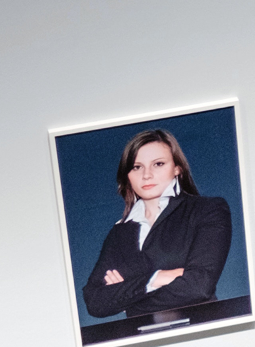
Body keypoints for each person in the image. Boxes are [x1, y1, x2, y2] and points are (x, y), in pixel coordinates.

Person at [82, 129, 232, 319]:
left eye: (158, 164)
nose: (147, 175)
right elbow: (95, 302)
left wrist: (127, 298)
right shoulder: (119, 232)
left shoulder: (207, 210)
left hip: (201, 327)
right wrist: (157, 278)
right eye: (137, 167)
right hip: (140, 334)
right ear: (127, 174)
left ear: (177, 168)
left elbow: (199, 287)